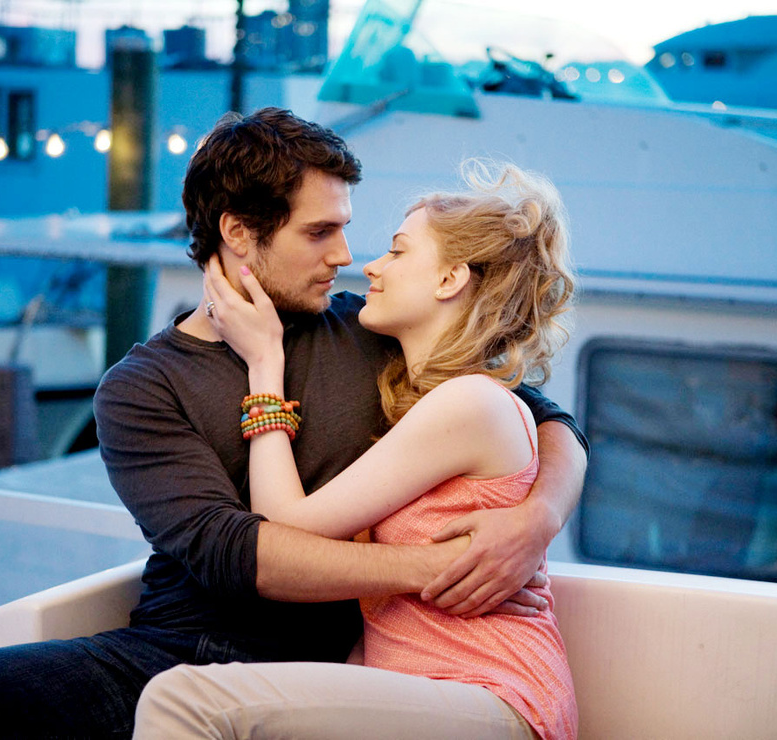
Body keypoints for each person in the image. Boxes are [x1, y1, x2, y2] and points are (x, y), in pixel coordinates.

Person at [0, 108, 586, 739]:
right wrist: (435, 571)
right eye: (318, 233)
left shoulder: (371, 328)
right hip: (178, 647)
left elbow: (543, 418)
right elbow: (238, 554)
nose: (346, 257)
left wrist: (535, 521)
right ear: (240, 233)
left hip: (344, 663)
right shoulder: (141, 388)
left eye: (346, 229)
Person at [132, 160, 578, 739]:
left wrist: (265, 364)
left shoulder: (469, 402)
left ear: (449, 280)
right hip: (426, 695)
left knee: (182, 700)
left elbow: (286, 524)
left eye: (397, 251)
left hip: (495, 695)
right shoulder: (434, 398)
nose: (366, 264)